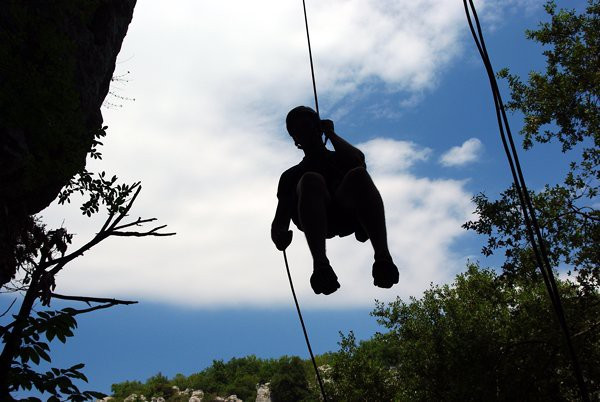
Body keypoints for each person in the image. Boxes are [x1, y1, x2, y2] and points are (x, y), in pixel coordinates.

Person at [271, 106, 399, 295]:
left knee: (358, 174)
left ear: (317, 128)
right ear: (295, 139)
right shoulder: (291, 177)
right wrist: (279, 235)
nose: (305, 134)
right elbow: (279, 222)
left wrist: (330, 133)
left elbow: (358, 161)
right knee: (310, 180)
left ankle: (383, 257)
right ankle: (321, 265)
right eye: (298, 131)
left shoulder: (340, 158)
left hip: (346, 211)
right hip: (317, 219)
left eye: (308, 127)